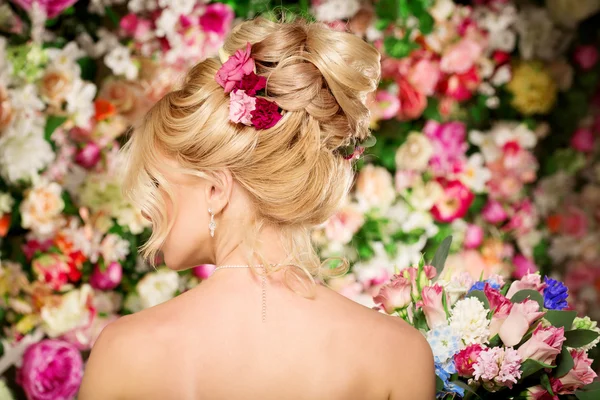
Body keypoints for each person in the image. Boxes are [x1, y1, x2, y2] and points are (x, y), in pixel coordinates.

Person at [79, 16, 435, 400]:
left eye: (156, 185)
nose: (146, 212)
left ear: (216, 189)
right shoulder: (398, 352)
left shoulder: (124, 350)